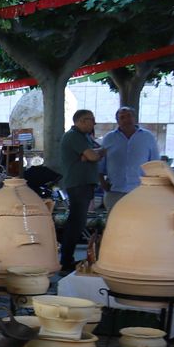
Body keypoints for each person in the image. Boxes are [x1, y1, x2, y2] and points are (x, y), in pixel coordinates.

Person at [58, 109, 106, 272]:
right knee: (76, 223)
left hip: (84, 183)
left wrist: (91, 155)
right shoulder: (73, 136)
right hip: (78, 184)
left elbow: (92, 154)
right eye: (91, 120)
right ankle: (66, 260)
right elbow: (93, 156)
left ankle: (67, 258)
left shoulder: (84, 136)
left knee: (78, 222)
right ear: (81, 121)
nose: (94, 123)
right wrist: (95, 154)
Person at [99, 106, 159, 210]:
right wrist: (102, 183)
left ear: (135, 118)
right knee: (114, 224)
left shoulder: (148, 137)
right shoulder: (109, 138)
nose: (126, 119)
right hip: (115, 191)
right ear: (117, 121)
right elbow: (100, 165)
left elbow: (155, 165)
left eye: (129, 116)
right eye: (122, 117)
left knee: (138, 223)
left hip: (140, 191)